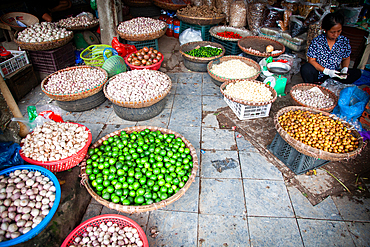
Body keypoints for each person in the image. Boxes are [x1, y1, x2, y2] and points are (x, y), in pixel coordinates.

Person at [300, 12, 362, 84]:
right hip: (319, 74)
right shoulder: (317, 41)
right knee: (306, 68)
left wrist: (344, 69)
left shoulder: (344, 41)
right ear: (325, 30)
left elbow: (346, 58)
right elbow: (311, 60)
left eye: (339, 31)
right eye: (332, 32)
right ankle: (314, 84)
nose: (336, 34)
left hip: (335, 74)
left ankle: (332, 83)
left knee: (357, 73)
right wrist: (326, 71)